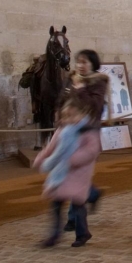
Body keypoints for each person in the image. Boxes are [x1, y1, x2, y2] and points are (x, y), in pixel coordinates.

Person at [34, 97, 101, 248]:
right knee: (56, 205)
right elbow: (51, 148)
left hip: (78, 173)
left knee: (78, 206)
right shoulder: (62, 131)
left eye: (73, 115)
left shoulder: (88, 131)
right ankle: (54, 235)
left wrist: (73, 159)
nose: (69, 119)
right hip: (60, 173)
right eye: (66, 116)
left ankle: (82, 234)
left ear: (82, 114)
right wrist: (41, 158)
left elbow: (91, 151)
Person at [57, 49, 109, 231]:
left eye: (85, 62)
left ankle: (74, 218)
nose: (80, 65)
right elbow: (61, 102)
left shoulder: (99, 82)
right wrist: (60, 125)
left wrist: (80, 90)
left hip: (88, 135)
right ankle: (92, 194)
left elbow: (95, 106)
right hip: (69, 133)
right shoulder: (71, 79)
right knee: (70, 173)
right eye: (78, 62)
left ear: (93, 64)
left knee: (78, 175)